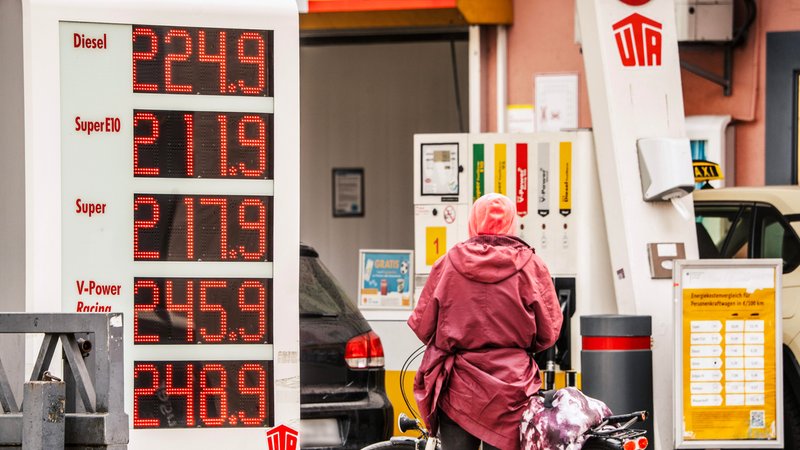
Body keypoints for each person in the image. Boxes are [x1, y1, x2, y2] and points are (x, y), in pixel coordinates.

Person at [408, 193, 563, 450]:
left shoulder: (447, 264)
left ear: (472, 222)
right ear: (513, 224)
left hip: (459, 388)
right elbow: (549, 331)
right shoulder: (532, 266)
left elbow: (423, 325)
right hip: (513, 391)